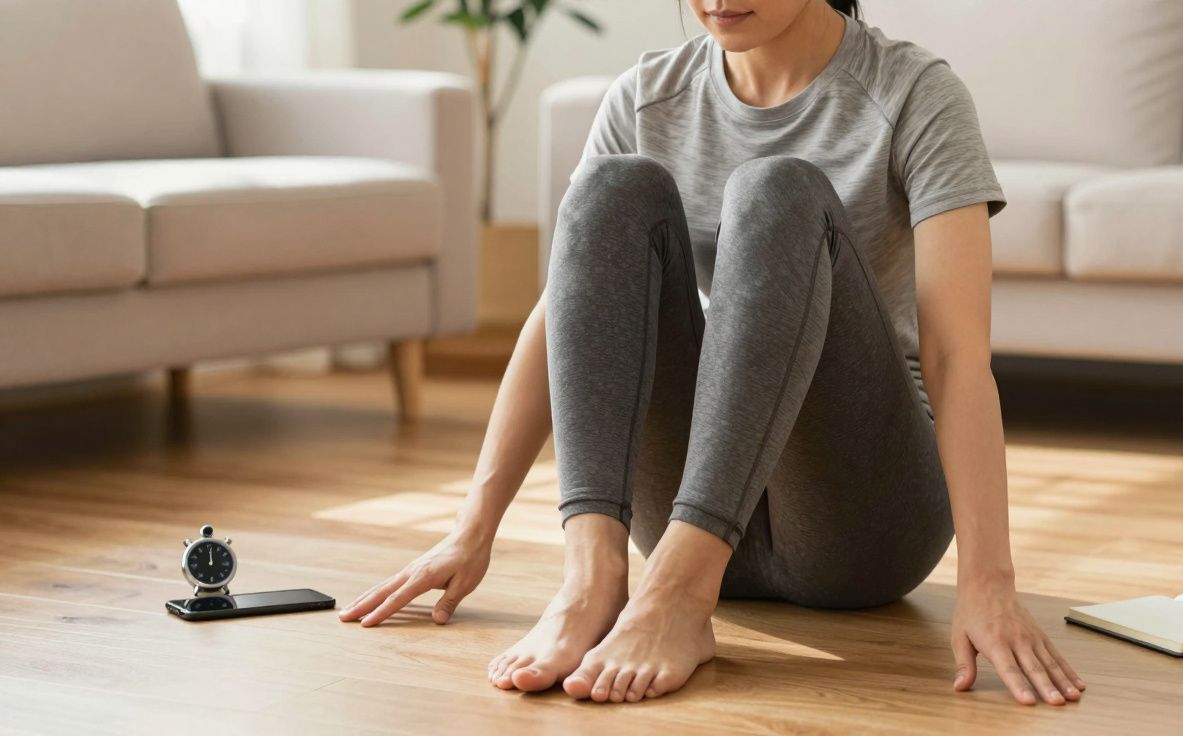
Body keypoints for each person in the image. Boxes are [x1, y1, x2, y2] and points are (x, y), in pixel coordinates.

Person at [340, 0, 1088, 707]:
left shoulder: (914, 92)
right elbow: (564, 315)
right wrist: (474, 527)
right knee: (608, 187)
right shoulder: (648, 95)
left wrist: (988, 579)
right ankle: (594, 580)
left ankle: (678, 595)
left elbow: (959, 358)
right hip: (681, 505)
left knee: (777, 191)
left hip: (861, 523)